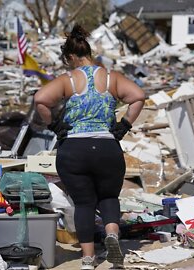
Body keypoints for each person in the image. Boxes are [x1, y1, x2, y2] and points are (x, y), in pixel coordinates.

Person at [34, 24, 145, 269]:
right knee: (108, 197)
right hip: (107, 148)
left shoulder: (68, 80)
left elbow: (41, 99)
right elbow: (138, 96)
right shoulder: (110, 77)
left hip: (74, 150)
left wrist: (55, 126)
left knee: (83, 203)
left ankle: (87, 260)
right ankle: (113, 236)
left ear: (71, 57)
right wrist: (124, 125)